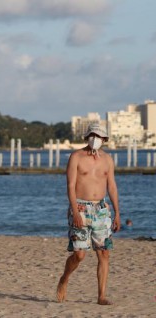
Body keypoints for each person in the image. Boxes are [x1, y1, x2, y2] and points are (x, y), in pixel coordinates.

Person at [57, 123, 121, 305]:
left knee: (104, 254)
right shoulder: (76, 156)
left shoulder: (107, 160)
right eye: (92, 135)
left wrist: (117, 213)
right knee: (79, 255)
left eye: (99, 136)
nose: (95, 139)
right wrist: (75, 210)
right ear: (87, 137)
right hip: (81, 208)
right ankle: (65, 277)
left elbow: (112, 187)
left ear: (105, 140)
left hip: (101, 209)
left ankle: (101, 296)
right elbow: (70, 186)